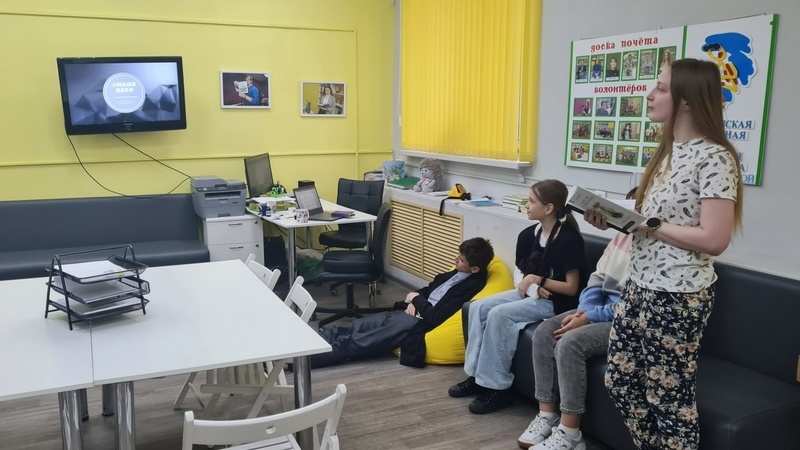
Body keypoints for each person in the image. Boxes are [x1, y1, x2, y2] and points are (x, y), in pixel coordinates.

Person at [583, 58, 742, 450]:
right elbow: (648, 223)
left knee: (669, 398)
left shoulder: (715, 158)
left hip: (678, 295)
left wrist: (649, 225)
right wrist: (613, 220)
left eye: (661, 88)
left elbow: (715, 239)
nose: (649, 94)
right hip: (638, 285)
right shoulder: (667, 153)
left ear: (686, 99)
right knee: (619, 381)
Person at [448, 179, 585, 414]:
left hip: (555, 303)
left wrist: (537, 280)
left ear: (549, 208)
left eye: (531, 201)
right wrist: (532, 287)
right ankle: (477, 376)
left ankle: (498, 388)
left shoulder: (569, 240)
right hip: (531, 295)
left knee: (499, 315)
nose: (527, 206)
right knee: (479, 308)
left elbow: (572, 288)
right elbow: (521, 276)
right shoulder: (527, 235)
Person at [517, 190, 637, 450]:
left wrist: (590, 317)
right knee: (545, 332)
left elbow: (634, 306)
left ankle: (571, 433)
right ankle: (547, 415)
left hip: (626, 321)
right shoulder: (621, 238)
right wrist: (585, 311)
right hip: (596, 311)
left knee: (570, 343)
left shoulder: (654, 251)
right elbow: (597, 277)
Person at [310, 237, 494, 369]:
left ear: (474, 269)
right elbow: (429, 289)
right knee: (350, 327)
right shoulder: (457, 272)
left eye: (460, 260)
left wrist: (415, 299)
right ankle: (306, 344)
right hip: (407, 311)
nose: (455, 260)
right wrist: (415, 299)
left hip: (415, 323)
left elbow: (436, 317)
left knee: (354, 342)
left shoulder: (471, 287)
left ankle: (305, 360)